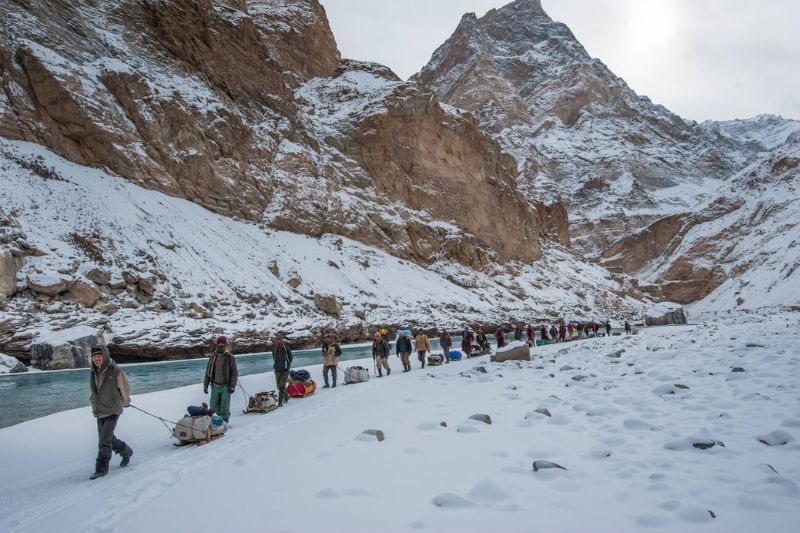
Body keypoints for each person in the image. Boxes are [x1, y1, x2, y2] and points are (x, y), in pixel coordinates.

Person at [89, 346, 133, 480]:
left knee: (104, 440)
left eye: (99, 355)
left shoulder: (115, 370)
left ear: (105, 355)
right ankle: (126, 451)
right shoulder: (93, 371)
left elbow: (124, 387)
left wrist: (125, 401)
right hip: (99, 410)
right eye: (94, 356)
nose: (97, 358)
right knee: (108, 438)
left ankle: (101, 468)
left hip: (113, 409)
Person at [204, 335, 238, 422]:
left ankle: (225, 422)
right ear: (217, 344)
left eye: (222, 344)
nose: (220, 345)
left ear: (225, 345)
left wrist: (232, 385)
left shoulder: (230, 357)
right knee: (213, 406)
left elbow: (234, 372)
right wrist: (205, 385)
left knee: (225, 406)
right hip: (214, 385)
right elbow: (208, 372)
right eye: (219, 343)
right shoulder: (212, 357)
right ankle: (219, 420)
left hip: (225, 386)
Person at [272, 335, 293, 406]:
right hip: (277, 370)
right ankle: (286, 396)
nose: (279, 341)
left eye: (280, 339)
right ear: (276, 341)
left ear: (282, 340)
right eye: (277, 339)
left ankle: (280, 402)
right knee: (279, 386)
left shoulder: (287, 348)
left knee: (281, 385)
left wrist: (288, 366)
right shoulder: (274, 349)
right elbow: (274, 358)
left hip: (285, 370)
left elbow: (291, 358)